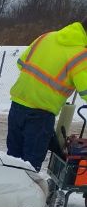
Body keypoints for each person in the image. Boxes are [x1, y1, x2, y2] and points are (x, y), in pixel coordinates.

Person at [7, 19, 87, 171]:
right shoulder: (80, 55)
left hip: (17, 105)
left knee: (12, 161)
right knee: (30, 167)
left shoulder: (46, 37)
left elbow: (20, 63)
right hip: (40, 113)